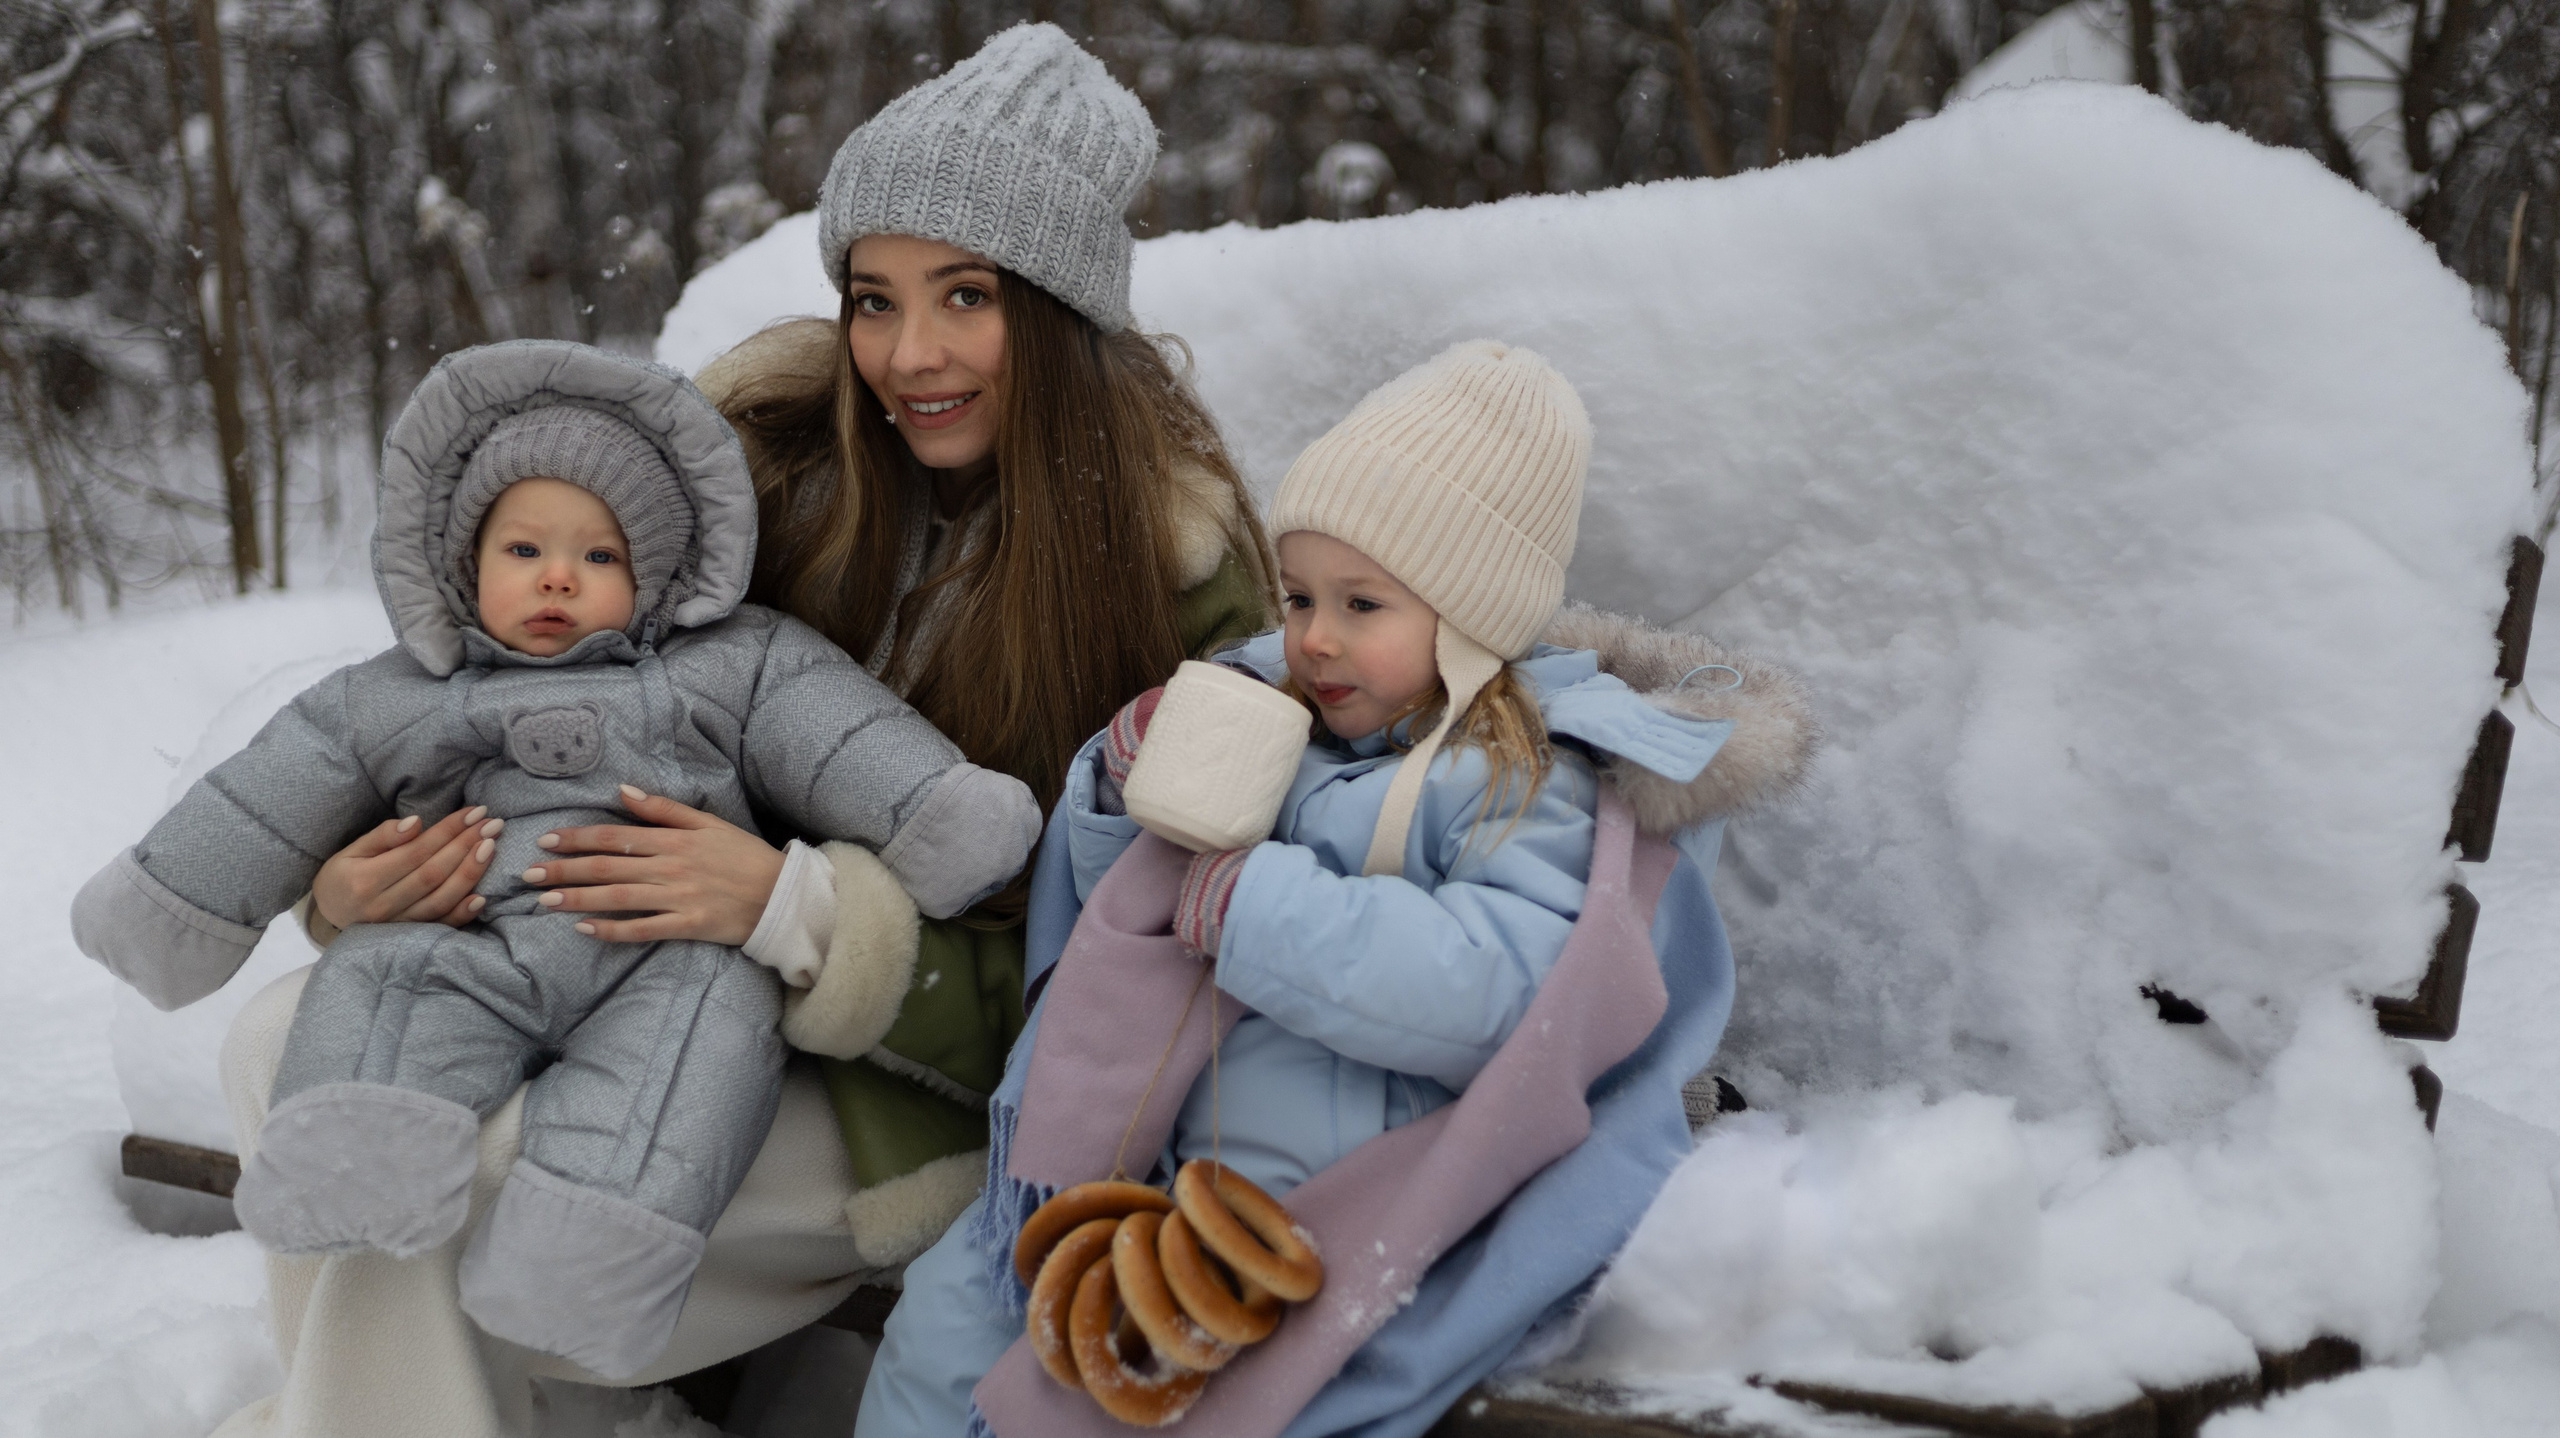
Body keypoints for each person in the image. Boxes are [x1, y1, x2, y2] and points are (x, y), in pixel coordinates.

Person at [206, 24, 1273, 1438]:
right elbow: (511, 697)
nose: (911, 353)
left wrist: (799, 909)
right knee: (287, 1046)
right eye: (874, 299)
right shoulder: (771, 472)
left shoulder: (1172, 583)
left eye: (967, 295)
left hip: (906, 1097)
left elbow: (1138, 992)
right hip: (608, 971)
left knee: (438, 1193)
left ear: (1066, 307)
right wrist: (364, 879)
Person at [859, 341, 1816, 1437]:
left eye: (1363, 604)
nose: (1312, 637)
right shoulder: (1287, 724)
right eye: (1301, 593)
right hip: (1156, 1163)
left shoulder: (1523, 780)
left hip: (1320, 1213)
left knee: (1127, 1394)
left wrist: (1257, 903)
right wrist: (1127, 795)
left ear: (1470, 613)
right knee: (942, 1322)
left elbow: (1495, 992)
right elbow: (1121, 923)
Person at [75, 339, 1043, 1383]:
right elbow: (279, 785)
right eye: (523, 550)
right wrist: (258, 893)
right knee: (384, 983)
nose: (557, 579)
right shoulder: (401, 692)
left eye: (601, 557)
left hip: (673, 954)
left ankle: (588, 1254)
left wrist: (939, 818)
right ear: (461, 564)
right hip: (471, 943)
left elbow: (842, 737)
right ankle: (358, 1156)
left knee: (687, 1059)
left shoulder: (733, 663)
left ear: (663, 573)